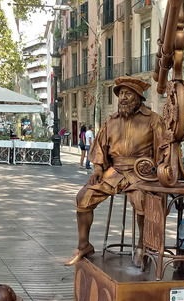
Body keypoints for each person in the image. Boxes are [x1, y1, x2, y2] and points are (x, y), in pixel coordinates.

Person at [66, 76, 160, 265]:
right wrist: (98, 168)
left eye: (127, 94)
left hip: (141, 172)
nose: (123, 98)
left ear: (138, 97)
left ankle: (143, 246)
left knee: (143, 202)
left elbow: (163, 149)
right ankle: (84, 245)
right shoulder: (111, 121)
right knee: (83, 197)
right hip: (114, 171)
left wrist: (158, 171)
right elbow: (100, 147)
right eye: (120, 94)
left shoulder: (153, 120)